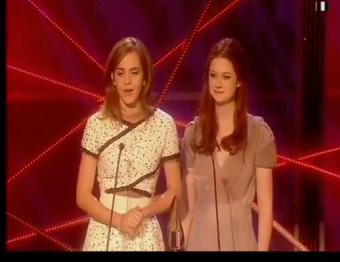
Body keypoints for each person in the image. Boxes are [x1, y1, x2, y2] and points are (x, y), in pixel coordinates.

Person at [76, 37, 182, 251]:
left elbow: (175, 191)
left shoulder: (164, 125)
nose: (127, 81)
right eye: (120, 73)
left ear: (145, 78)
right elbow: (83, 196)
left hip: (145, 232)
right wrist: (118, 220)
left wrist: (143, 213)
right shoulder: (97, 124)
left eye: (134, 73)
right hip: (104, 232)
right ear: (112, 78)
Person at [180, 38, 277, 251]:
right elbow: (189, 207)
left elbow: (266, 207)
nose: (218, 84)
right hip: (199, 242)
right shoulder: (194, 134)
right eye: (213, 76)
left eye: (226, 77)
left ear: (239, 80)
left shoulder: (258, 135)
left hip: (240, 242)